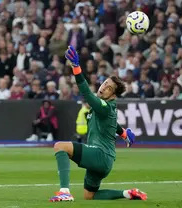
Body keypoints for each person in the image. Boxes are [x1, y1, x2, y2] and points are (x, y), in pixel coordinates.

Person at [49, 45, 146, 202]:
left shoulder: (104, 106)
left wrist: (76, 67)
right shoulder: (108, 108)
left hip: (100, 155)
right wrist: (123, 133)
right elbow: (111, 124)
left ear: (113, 95)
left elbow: (86, 92)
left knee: (60, 147)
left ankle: (65, 192)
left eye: (108, 88)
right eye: (104, 83)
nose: (103, 88)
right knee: (90, 196)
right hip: (105, 161)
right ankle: (127, 193)